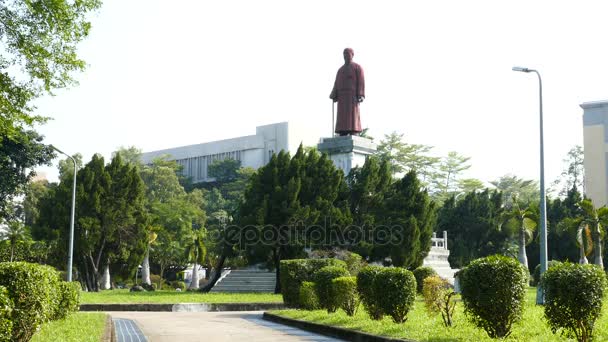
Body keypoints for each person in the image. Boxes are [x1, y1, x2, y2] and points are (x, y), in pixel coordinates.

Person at [330, 48, 365, 136]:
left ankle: (353, 130)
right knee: (342, 115)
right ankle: (343, 130)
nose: (346, 56)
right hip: (342, 97)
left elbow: (361, 82)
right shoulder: (340, 70)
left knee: (352, 114)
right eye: (344, 54)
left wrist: (360, 94)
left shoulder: (357, 67)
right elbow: (336, 83)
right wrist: (334, 94)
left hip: (352, 96)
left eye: (348, 54)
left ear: (352, 55)